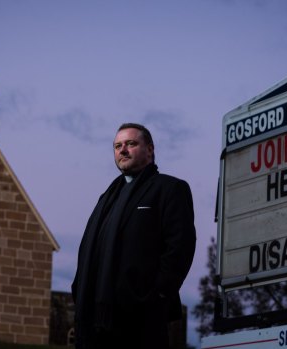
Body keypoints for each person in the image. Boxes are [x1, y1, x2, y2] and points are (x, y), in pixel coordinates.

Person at [72, 123, 196, 349]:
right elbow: (87, 251)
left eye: (131, 143)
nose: (123, 150)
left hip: (140, 321)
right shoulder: (106, 199)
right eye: (117, 146)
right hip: (94, 324)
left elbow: (180, 249)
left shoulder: (169, 189)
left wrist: (155, 297)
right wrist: (78, 290)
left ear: (150, 149)